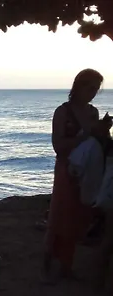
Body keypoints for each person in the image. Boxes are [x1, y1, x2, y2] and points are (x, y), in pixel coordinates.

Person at [43, 69, 111, 284]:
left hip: (88, 168)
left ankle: (66, 265)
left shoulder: (92, 112)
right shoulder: (63, 112)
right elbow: (58, 146)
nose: (92, 93)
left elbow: (98, 143)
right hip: (66, 168)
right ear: (78, 86)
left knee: (79, 216)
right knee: (61, 215)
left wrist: (103, 131)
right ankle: (50, 262)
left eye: (96, 89)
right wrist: (88, 134)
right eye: (89, 88)